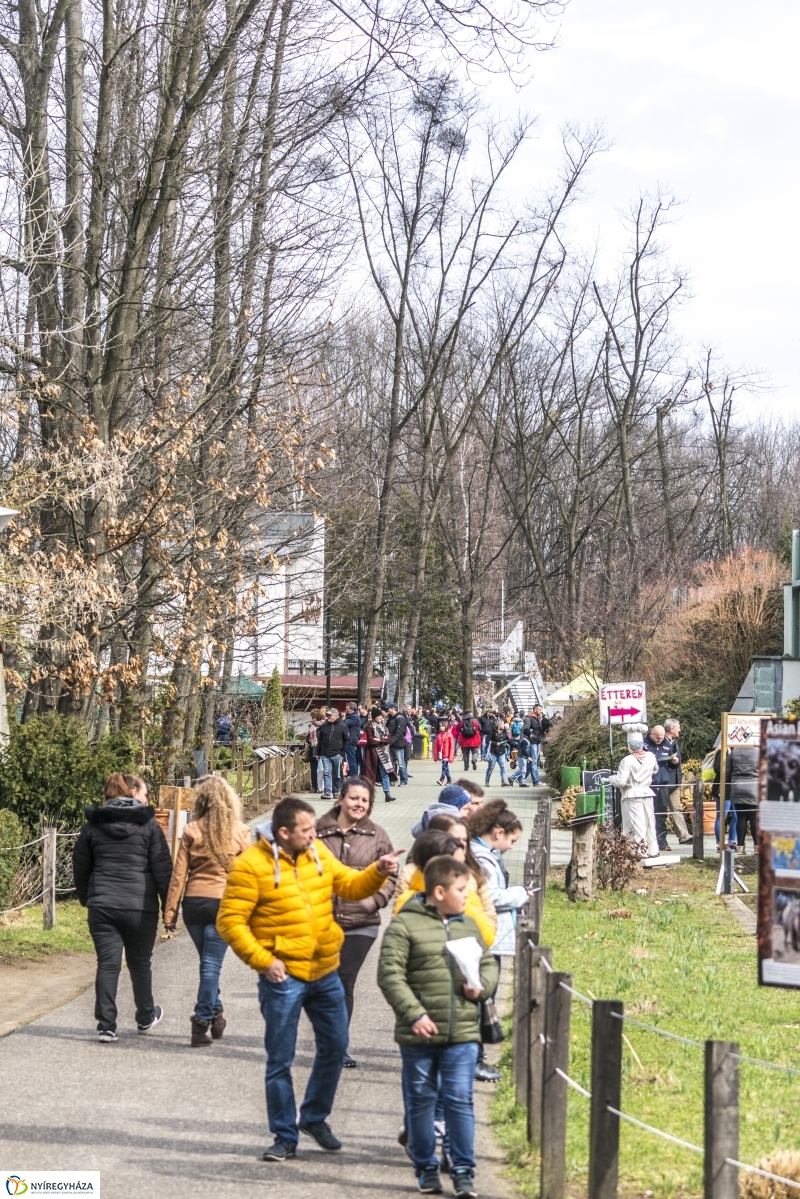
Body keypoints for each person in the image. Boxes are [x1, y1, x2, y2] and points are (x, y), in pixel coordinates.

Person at [217, 795, 403, 1162]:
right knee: (280, 1060)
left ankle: (314, 1117)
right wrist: (263, 961)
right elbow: (229, 922)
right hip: (283, 976)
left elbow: (349, 885)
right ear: (283, 833)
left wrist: (378, 871)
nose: (313, 833)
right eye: (306, 830)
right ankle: (284, 1136)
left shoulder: (317, 851)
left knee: (336, 1045)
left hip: (325, 970)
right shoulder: (251, 866)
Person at [378, 855, 499, 1198]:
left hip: (461, 1032)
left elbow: (488, 964)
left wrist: (483, 986)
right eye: (463, 890)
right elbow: (389, 975)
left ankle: (463, 1169)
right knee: (420, 1100)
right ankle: (425, 1166)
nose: (468, 896)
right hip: (419, 1035)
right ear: (440, 891)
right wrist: (414, 1014)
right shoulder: (404, 926)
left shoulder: (468, 924)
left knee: (460, 1099)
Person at [73, 772, 173, 1042]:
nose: (146, 797)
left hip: (103, 905)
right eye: (143, 792)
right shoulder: (149, 825)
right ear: (131, 793)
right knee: (140, 963)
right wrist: (170, 908)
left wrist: (87, 899)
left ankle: (107, 1025)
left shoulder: (92, 826)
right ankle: (145, 1016)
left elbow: (81, 868)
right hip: (139, 906)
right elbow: (163, 869)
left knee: (107, 965)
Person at [163, 776, 251, 1046]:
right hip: (224, 905)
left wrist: (170, 914)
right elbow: (252, 871)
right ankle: (201, 1022)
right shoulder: (240, 832)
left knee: (208, 964)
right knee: (211, 965)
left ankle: (216, 1012)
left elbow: (179, 875)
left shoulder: (191, 830)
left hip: (195, 905)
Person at [315, 777, 396, 1067]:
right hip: (322, 922)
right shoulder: (316, 832)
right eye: (354, 798)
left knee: (343, 981)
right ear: (341, 799)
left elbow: (391, 877)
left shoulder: (379, 836)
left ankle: (338, 1047)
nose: (359, 804)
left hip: (362, 923)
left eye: (365, 800)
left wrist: (375, 901)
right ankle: (327, 1039)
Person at [607, 732, 659, 859]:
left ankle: (639, 851)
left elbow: (620, 781)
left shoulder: (627, 760)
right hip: (647, 792)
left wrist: (611, 778)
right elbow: (655, 769)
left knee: (636, 823)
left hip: (632, 794)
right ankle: (653, 849)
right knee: (649, 822)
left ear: (629, 746)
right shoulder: (651, 756)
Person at [662, 718, 692, 844]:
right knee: (660, 811)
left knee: (677, 808)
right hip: (663, 782)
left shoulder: (674, 741)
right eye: (678, 727)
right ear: (671, 729)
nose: (680, 729)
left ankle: (684, 836)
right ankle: (660, 839)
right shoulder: (661, 741)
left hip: (674, 782)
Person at [363, 707, 397, 801]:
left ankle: (387, 794)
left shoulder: (384, 726)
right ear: (374, 717)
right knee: (371, 774)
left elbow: (389, 739)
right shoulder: (369, 727)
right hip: (372, 754)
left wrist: (380, 740)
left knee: (385, 773)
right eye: (378, 716)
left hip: (384, 754)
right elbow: (370, 741)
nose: (380, 717)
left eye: (381, 716)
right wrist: (383, 741)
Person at [729, 745, 758, 853]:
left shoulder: (734, 752)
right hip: (754, 787)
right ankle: (757, 847)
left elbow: (727, 771)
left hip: (737, 787)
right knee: (754, 818)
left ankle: (740, 847)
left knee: (741, 817)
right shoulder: (758, 751)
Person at [316, 707, 349, 801]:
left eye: (330, 715)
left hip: (337, 754)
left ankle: (335, 791)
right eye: (327, 715)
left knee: (337, 774)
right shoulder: (324, 726)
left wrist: (342, 752)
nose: (328, 716)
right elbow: (320, 740)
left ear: (335, 716)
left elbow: (347, 740)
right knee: (327, 773)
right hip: (325, 754)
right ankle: (327, 792)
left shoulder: (343, 726)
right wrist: (319, 753)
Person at [387, 702, 410, 786]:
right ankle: (392, 779)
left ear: (393, 708)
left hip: (398, 744)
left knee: (401, 763)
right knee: (391, 763)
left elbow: (398, 733)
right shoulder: (391, 718)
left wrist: (391, 741)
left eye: (389, 708)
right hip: (391, 744)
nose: (388, 710)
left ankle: (404, 780)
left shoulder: (400, 718)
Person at [526, 705, 551, 784]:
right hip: (533, 741)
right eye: (540, 710)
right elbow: (525, 728)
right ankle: (536, 781)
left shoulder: (538, 718)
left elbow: (540, 728)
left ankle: (519, 778)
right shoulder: (530, 718)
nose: (541, 711)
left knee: (533, 762)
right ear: (535, 710)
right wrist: (531, 735)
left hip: (537, 740)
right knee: (534, 762)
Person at [484, 716, 510, 786]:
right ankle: (487, 780)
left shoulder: (505, 731)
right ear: (498, 725)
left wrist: (510, 740)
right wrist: (495, 743)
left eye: (503, 724)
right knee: (491, 767)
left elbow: (509, 739)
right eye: (502, 724)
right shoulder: (492, 731)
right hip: (493, 752)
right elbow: (487, 741)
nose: (503, 725)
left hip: (502, 752)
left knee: (503, 766)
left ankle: (503, 780)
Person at [343, 701, 362, 781]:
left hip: (351, 740)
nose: (346, 710)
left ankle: (354, 777)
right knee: (350, 760)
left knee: (352, 760)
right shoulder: (352, 716)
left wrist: (343, 718)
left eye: (347, 708)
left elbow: (345, 723)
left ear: (351, 709)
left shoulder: (354, 717)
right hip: (351, 740)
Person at [434, 720, 456, 784]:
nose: (441, 727)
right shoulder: (439, 735)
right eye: (440, 726)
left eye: (443, 726)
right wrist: (435, 756)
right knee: (446, 768)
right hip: (441, 754)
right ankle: (449, 780)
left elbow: (452, 747)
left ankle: (441, 779)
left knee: (444, 767)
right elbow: (436, 747)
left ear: (446, 727)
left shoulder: (449, 735)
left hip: (447, 755)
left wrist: (451, 757)